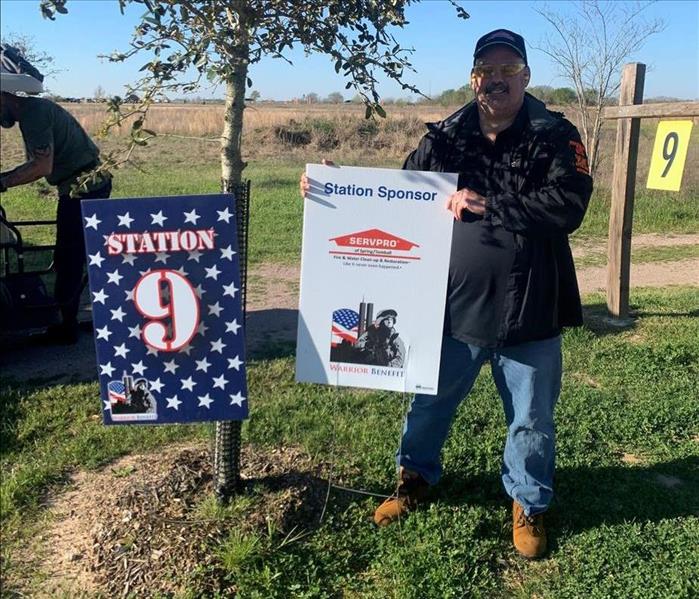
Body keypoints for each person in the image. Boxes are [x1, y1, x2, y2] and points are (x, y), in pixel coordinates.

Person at [301, 29, 592, 559]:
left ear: (526, 76)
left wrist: (491, 204)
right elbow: (400, 196)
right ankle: (413, 480)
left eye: (508, 69)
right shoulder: (447, 134)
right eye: (486, 70)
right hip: (451, 307)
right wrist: (339, 192)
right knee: (430, 404)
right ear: (473, 77)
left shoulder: (555, 134)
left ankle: (528, 504)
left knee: (531, 417)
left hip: (530, 306)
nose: (496, 79)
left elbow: (569, 206)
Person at [0, 44, 112, 344]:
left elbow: (41, 165)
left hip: (84, 187)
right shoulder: (34, 110)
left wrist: (3, 182)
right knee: (76, 255)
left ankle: (68, 326)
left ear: (5, 96)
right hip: (85, 182)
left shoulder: (33, 114)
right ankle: (75, 318)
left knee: (69, 257)